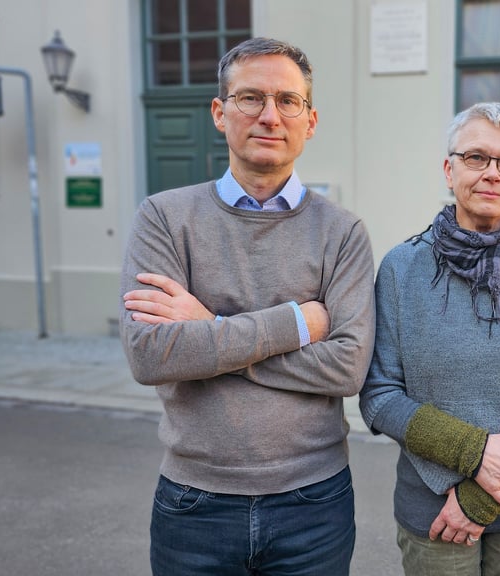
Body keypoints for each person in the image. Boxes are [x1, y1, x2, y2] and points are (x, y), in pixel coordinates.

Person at [119, 37, 375, 575]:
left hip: (314, 501)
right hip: (195, 502)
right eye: (250, 98)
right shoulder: (164, 218)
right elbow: (151, 355)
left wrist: (208, 329)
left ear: (310, 120)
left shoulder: (342, 232)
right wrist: (297, 322)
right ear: (219, 112)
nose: (269, 116)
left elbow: (348, 366)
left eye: (288, 101)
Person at [359, 102, 500, 576]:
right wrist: (473, 453)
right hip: (433, 511)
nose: (491, 173)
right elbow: (380, 395)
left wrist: (480, 498)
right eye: (476, 158)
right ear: (449, 169)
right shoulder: (402, 268)